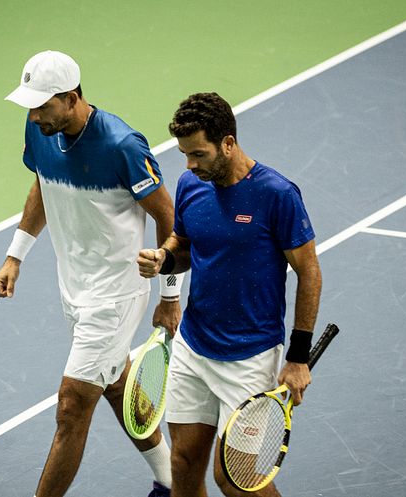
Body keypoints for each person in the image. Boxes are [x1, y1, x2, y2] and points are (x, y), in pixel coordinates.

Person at [0, 50, 184, 497]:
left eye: (43, 105)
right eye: (30, 105)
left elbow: (170, 219)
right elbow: (42, 182)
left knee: (71, 407)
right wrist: (15, 254)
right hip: (74, 286)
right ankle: (172, 482)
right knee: (117, 386)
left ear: (72, 97)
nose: (34, 114)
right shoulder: (39, 129)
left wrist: (169, 295)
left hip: (116, 295)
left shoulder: (122, 146)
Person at [137, 92, 322, 497]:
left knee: (237, 481)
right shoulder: (190, 185)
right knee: (184, 464)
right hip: (194, 346)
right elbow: (184, 244)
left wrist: (298, 357)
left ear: (228, 143)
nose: (189, 165)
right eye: (185, 155)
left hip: (250, 356)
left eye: (198, 154)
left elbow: (309, 273)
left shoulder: (277, 195)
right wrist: (163, 258)